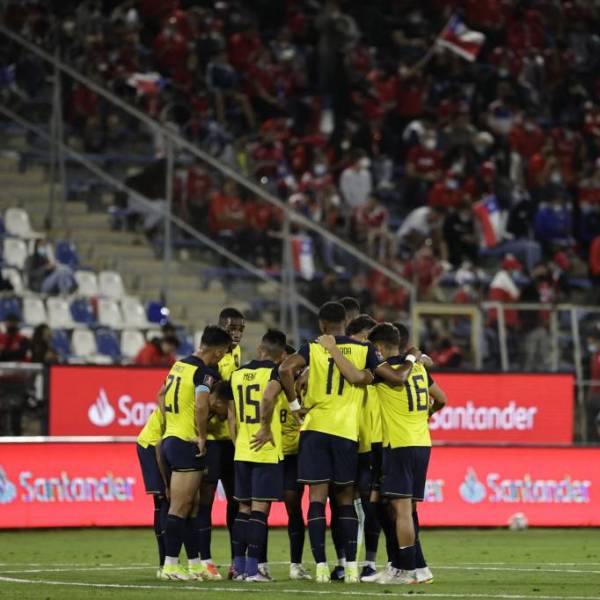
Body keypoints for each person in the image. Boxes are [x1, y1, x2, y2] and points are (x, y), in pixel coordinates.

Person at [278, 301, 412, 583]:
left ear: (321, 324)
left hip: (315, 430)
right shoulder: (365, 350)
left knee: (316, 500)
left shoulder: (313, 347)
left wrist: (294, 406)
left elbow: (285, 369)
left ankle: (321, 567)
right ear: (346, 323)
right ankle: (351, 567)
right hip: (346, 434)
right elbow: (390, 378)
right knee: (345, 500)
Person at [367, 323, 447, 585]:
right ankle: (414, 567)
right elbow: (442, 398)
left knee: (401, 511)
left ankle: (407, 570)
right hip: (422, 443)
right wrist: (426, 415)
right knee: (408, 510)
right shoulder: (420, 369)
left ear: (379, 347)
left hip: (399, 444)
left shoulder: (385, 371)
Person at [159, 325, 232, 580]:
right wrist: (201, 436)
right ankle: (170, 565)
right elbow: (202, 405)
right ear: (219, 351)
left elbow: (161, 395)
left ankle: (193, 564)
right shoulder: (204, 372)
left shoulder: (179, 365)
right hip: (185, 442)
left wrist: (171, 425)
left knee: (190, 506)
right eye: (224, 352)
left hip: (171, 438)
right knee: (180, 507)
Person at [228, 329, 288, 582]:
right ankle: (254, 571)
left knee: (243, 509)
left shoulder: (237, 374)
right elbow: (267, 397)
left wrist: (238, 441)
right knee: (260, 511)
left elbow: (231, 416)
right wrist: (264, 428)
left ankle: (240, 568)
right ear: (281, 355)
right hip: (264, 449)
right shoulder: (276, 373)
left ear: (260, 349)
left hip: (242, 449)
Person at [198, 308, 246, 580]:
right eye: (231, 329)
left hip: (232, 440)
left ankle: (236, 561)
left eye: (240, 329)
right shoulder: (212, 361)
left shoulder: (237, 355)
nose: (236, 334)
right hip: (213, 440)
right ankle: (205, 560)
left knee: (236, 501)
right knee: (204, 501)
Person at [0, 314, 30, 436]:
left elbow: (22, 353)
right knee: (1, 410)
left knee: (16, 410)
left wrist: (5, 352)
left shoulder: (23, 339)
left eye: (14, 322)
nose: (11, 324)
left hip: (18, 380)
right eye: (9, 322)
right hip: (2, 380)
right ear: (5, 323)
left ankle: (17, 436)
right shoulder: (1, 338)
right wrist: (11, 353)